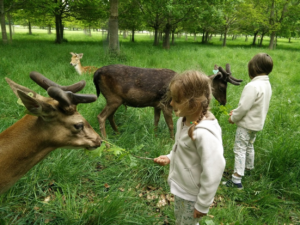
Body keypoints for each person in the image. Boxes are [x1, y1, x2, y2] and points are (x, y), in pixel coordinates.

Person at [154, 70, 226, 225]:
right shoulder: (184, 121)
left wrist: (203, 203)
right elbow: (181, 148)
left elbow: (214, 170)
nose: (171, 103)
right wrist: (169, 157)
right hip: (181, 188)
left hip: (192, 194)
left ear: (193, 105)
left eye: (176, 100)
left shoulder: (204, 134)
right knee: (181, 220)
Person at [226, 53, 273, 189]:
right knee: (249, 146)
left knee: (239, 148)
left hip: (246, 125)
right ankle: (248, 168)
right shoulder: (266, 85)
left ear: (253, 68)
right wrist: (236, 111)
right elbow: (254, 106)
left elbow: (244, 108)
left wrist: (233, 117)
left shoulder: (252, 87)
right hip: (256, 124)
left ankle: (236, 180)